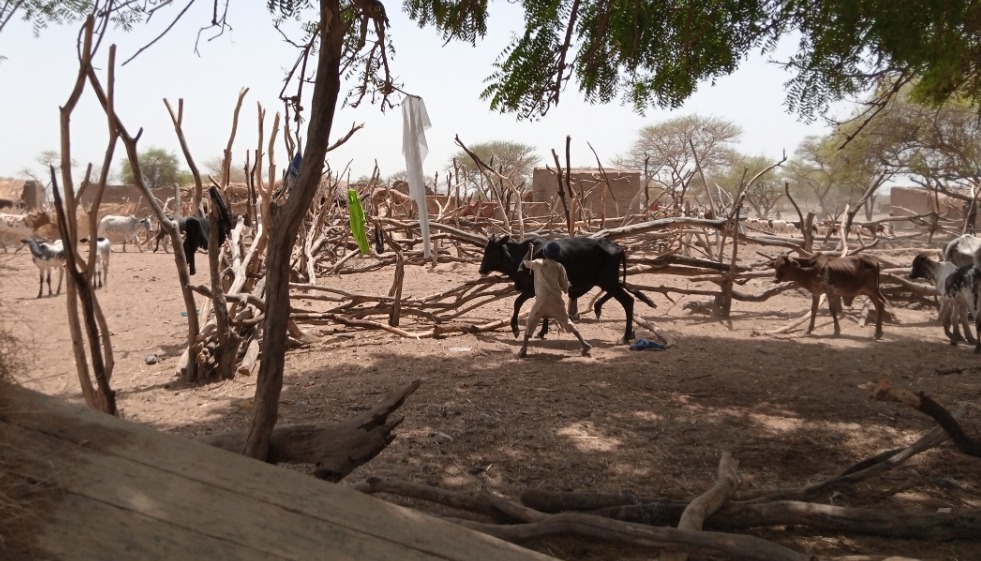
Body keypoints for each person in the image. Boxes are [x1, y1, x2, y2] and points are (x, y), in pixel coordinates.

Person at [517, 241, 591, 358]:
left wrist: (529, 251)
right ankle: (584, 343)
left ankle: (524, 349)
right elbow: (565, 285)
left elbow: (524, 264)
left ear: (544, 253)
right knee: (566, 321)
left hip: (541, 301)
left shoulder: (538, 263)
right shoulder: (559, 267)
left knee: (531, 320)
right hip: (555, 301)